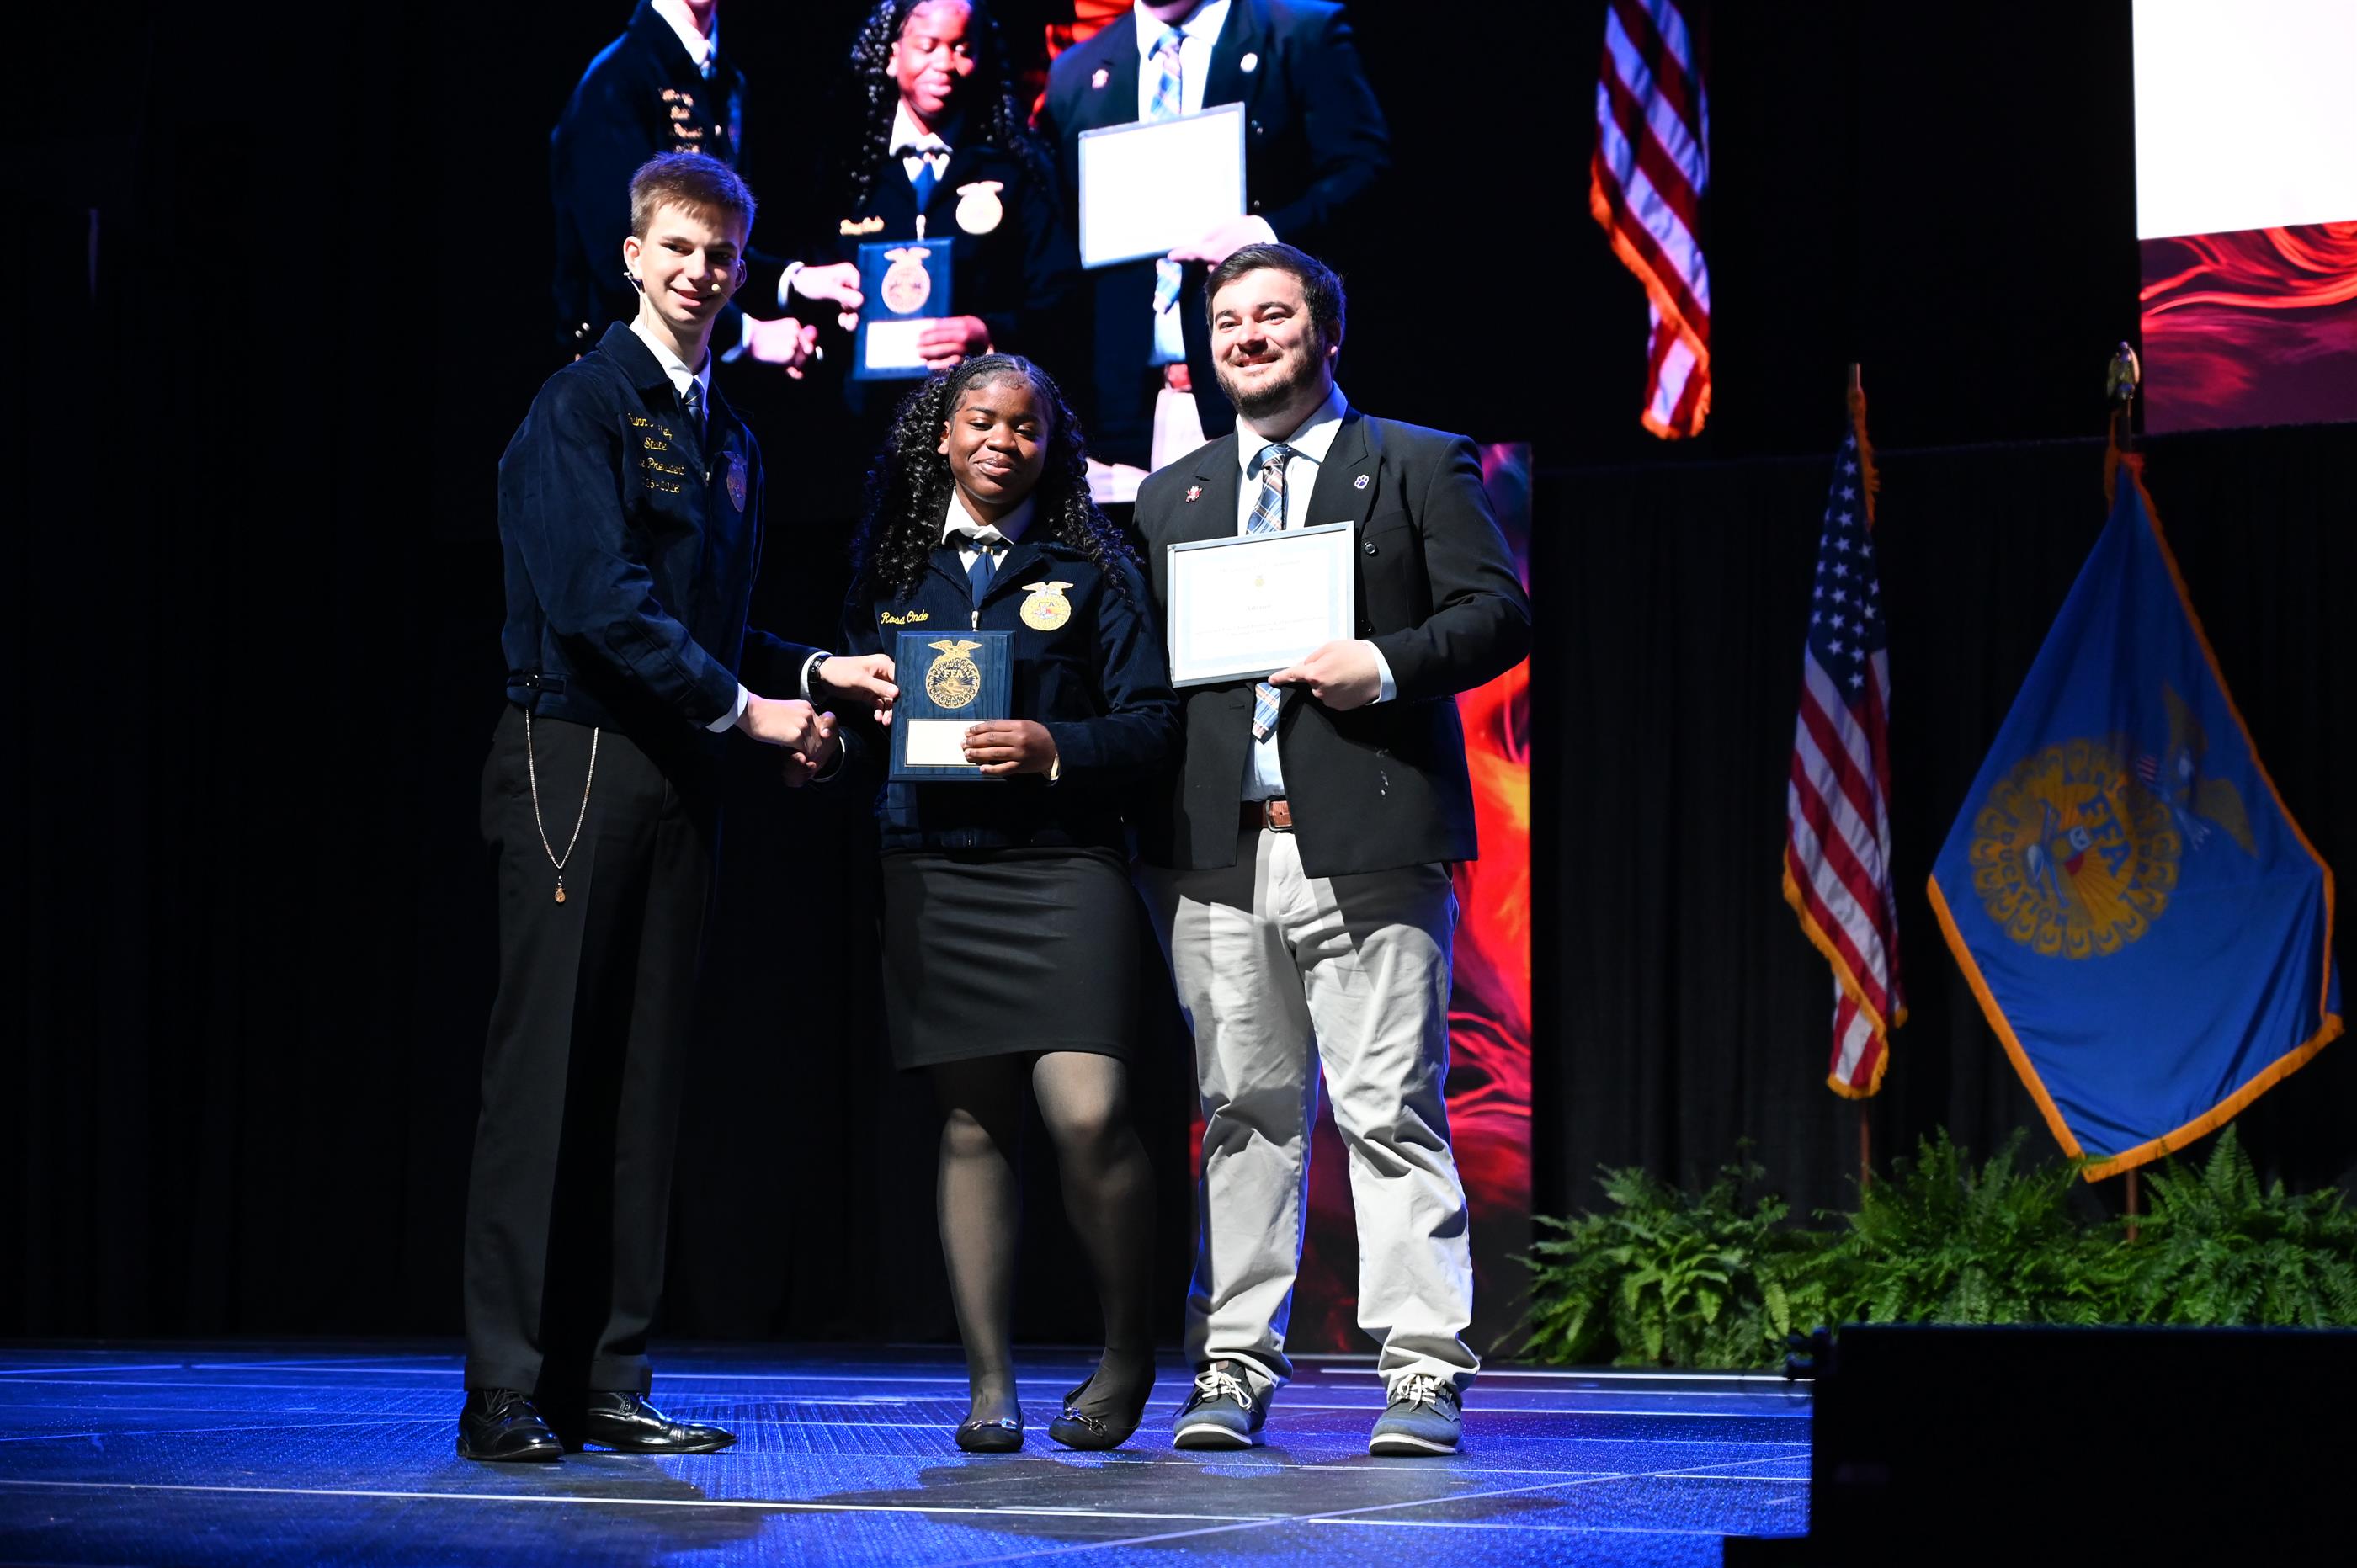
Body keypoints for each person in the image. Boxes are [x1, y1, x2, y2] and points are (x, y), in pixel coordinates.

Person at [461, 151, 896, 1463]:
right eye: (680, 248)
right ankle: (505, 1387)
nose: (702, 272)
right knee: (546, 1078)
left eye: (723, 254)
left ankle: (608, 1377)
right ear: (634, 256)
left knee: (643, 1087)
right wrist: (751, 712)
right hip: (574, 757)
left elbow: (711, 625)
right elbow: (599, 604)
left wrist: (810, 676)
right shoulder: (582, 403)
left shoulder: (733, 435)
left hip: (677, 771)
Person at [1132, 243, 1530, 1455]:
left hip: (1367, 840)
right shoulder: (1174, 495)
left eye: (1273, 315)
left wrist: (1385, 663)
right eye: (1228, 321)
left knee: (1388, 1109)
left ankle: (1421, 1370)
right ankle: (1233, 1362)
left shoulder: (1413, 460)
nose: (1248, 336)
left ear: (1327, 332)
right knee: (1240, 1113)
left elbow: (1497, 611)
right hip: (1217, 852)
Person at [836, 353, 1178, 1452]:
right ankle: (990, 1384)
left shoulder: (1092, 567)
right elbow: (857, 713)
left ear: (1051, 444)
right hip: (933, 866)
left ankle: (1129, 1352)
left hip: (1064, 863)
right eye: (980, 421)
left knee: (1088, 1113)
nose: (1001, 441)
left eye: (1025, 427)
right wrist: (835, 734)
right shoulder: (894, 565)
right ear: (942, 434)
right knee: (973, 1121)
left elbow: (1153, 725)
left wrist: (1052, 746)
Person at [1035, 0, 1389, 471]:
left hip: (1272, 388)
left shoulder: (1300, 33)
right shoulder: (1075, 71)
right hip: (1127, 414)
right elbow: (1060, 241)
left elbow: (1364, 174)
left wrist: (1267, 234)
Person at [550, 0, 858, 372]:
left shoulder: (727, 80)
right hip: (620, 373)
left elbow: (715, 242)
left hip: (695, 369)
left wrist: (792, 279)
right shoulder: (616, 81)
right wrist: (746, 335)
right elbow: (622, 257)